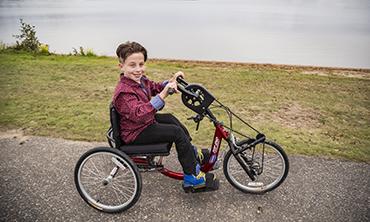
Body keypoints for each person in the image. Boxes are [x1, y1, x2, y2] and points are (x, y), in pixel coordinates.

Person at [112, 41, 218, 191]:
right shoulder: (124, 92)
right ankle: (191, 178)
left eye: (141, 64)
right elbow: (139, 114)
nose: (138, 69)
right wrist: (163, 94)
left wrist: (172, 82)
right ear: (121, 66)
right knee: (176, 133)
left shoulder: (139, 81)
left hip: (142, 124)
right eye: (132, 65)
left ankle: (192, 153)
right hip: (135, 132)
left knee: (171, 119)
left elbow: (154, 86)